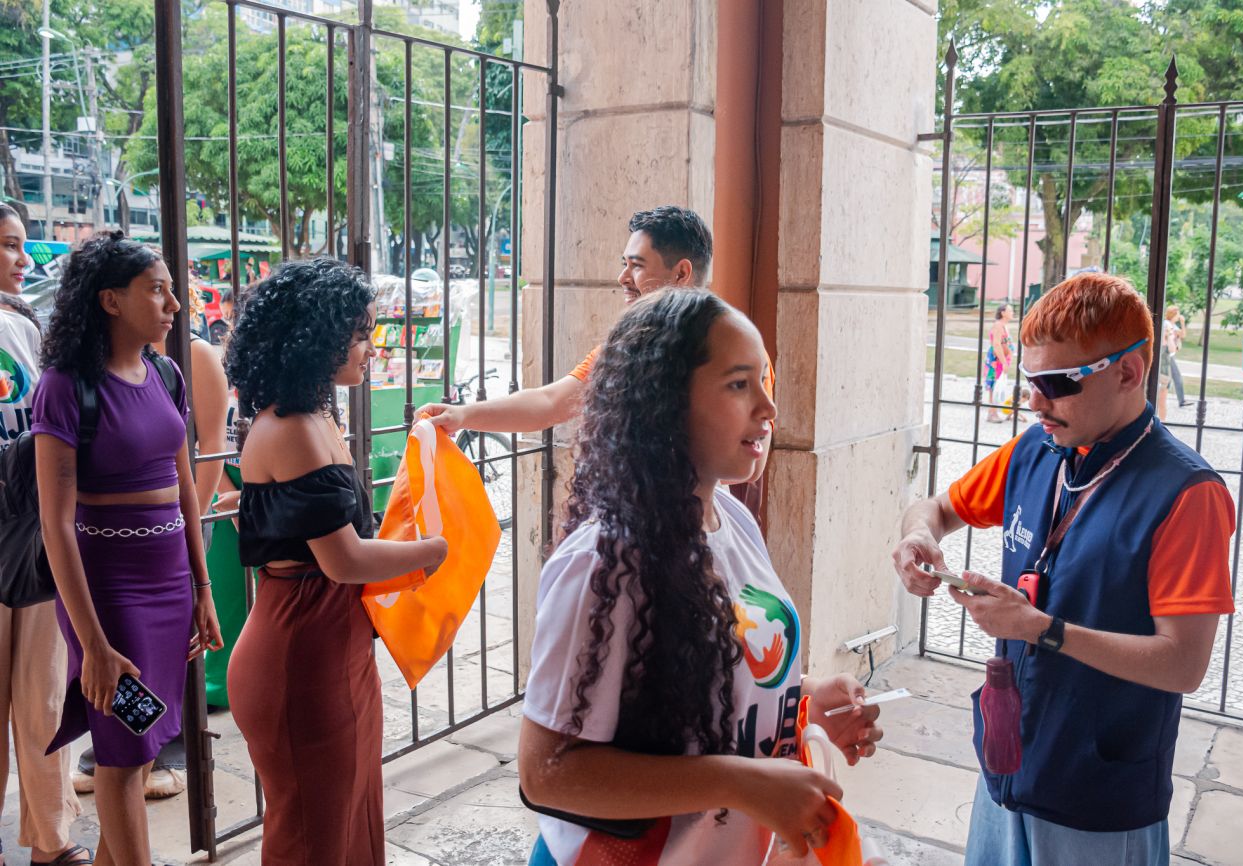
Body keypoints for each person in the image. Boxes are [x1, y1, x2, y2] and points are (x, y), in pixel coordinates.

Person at [518, 289, 883, 866]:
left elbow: (721, 669)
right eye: (739, 385)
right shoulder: (604, 563)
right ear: (665, 404)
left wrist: (806, 698)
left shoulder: (733, 519)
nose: (768, 408)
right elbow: (547, 773)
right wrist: (740, 783)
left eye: (763, 381)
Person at [890, 273, 1235, 866]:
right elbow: (937, 509)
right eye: (1030, 381)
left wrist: (1040, 629)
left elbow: (1184, 665)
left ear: (1128, 372)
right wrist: (917, 536)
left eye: (1056, 383)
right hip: (1007, 766)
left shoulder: (1186, 493)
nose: (1034, 402)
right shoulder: (1035, 450)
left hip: (1099, 795)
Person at [224, 258, 448, 865]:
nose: (372, 348)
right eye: (359, 334)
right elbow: (344, 559)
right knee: (314, 838)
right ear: (316, 337)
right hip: (301, 657)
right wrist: (435, 551)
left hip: (332, 644)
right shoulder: (291, 427)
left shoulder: (316, 414)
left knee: (350, 818)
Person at [32, 230, 223, 865]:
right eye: (158, 290)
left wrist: (202, 588)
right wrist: (92, 644)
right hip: (109, 596)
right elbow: (56, 523)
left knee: (141, 746)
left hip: (169, 587)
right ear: (110, 300)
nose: (175, 304)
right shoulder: (64, 386)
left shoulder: (166, 373)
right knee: (120, 756)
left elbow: (184, 486)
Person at [422, 206, 774, 515]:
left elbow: (752, 465)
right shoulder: (623, 351)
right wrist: (463, 415)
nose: (623, 278)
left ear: (681, 273)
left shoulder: (738, 355)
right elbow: (550, 402)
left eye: (636, 266)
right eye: (625, 264)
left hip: (699, 529)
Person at [0, 205, 90, 866]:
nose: (22, 259)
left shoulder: (26, 327)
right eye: (8, 246)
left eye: (21, 245)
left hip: (33, 537)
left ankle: (51, 840)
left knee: (45, 694)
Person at [984, 303, 1014, 422]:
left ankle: (994, 412)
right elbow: (996, 344)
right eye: (1010, 311)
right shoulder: (998, 326)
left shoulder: (1004, 326)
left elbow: (1005, 343)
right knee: (994, 386)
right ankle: (992, 413)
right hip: (997, 361)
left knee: (998, 385)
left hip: (1001, 360)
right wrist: (1004, 362)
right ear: (1003, 313)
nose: (1012, 313)